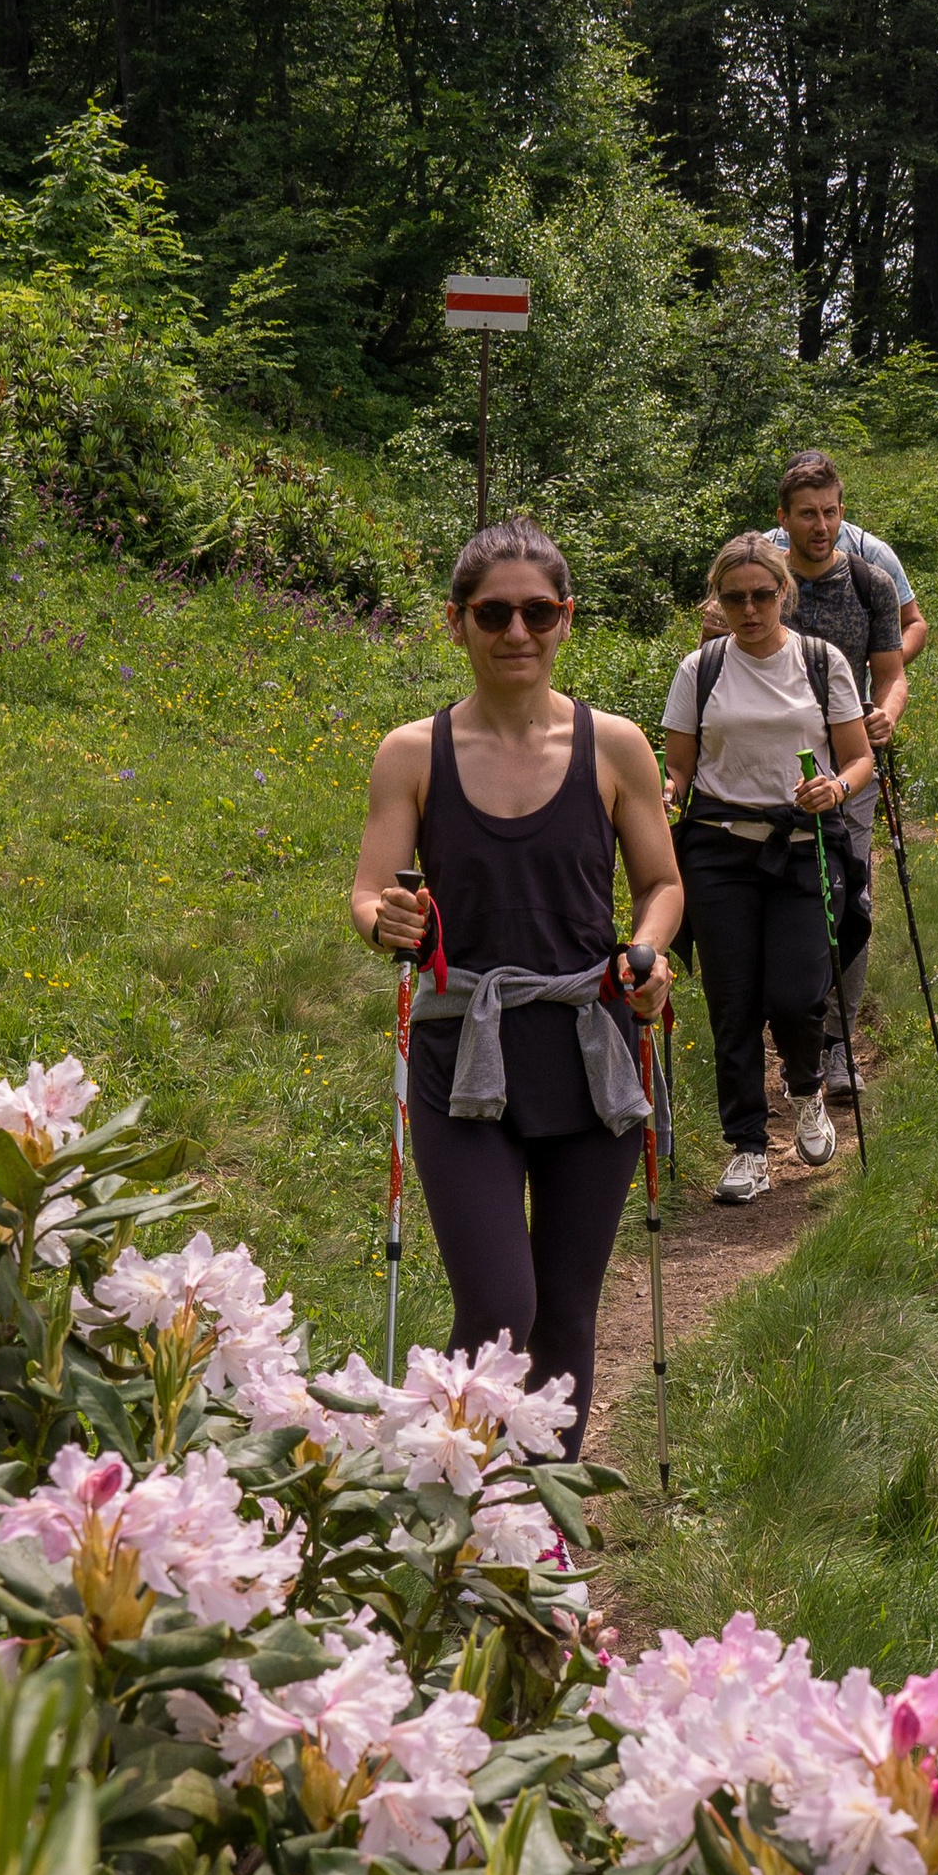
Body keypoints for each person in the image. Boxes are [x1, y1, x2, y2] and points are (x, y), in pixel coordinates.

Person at [350, 519, 682, 1458]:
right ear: (456, 624)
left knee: (568, 1313)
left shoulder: (614, 747)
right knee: (501, 1306)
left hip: (590, 1051)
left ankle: (541, 1537)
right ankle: (456, 1502)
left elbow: (661, 883)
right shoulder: (412, 754)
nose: (516, 632)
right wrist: (387, 923)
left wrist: (647, 954)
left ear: (566, 619)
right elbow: (372, 892)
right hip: (464, 1059)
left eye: (539, 612)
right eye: (492, 614)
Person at [661, 531, 875, 1205]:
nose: (749, 608)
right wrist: (659, 796)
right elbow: (679, 770)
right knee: (732, 1002)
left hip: (803, 846)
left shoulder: (821, 661)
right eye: (734, 597)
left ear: (784, 592)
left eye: (761, 594)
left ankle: (806, 1090)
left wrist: (835, 789)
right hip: (719, 849)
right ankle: (748, 1148)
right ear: (717, 600)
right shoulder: (700, 669)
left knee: (795, 992)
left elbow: (858, 757)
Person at [762, 454, 908, 1101]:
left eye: (830, 512)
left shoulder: (872, 584)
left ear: (842, 512)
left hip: (851, 763)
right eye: (807, 514)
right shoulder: (764, 584)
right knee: (776, 899)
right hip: (770, 766)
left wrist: (887, 716)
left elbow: (891, 670)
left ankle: (838, 1046)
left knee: (851, 901)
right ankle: (790, 1036)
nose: (820, 525)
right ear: (783, 517)